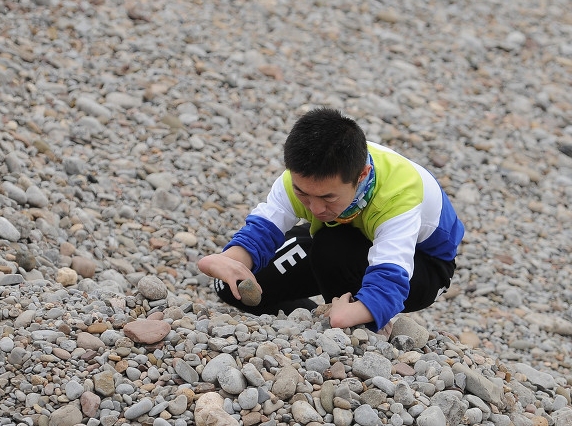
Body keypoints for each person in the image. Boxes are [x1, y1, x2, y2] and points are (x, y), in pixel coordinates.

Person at [198, 108, 464, 332]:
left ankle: (357, 331)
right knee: (232, 286)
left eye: (327, 197)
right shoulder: (301, 177)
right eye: (303, 194)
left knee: (332, 245)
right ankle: (317, 317)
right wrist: (229, 261)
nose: (314, 208)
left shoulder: (400, 196)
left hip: (424, 266)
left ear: (362, 176)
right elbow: (262, 232)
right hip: (340, 232)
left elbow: (391, 279)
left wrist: (352, 314)